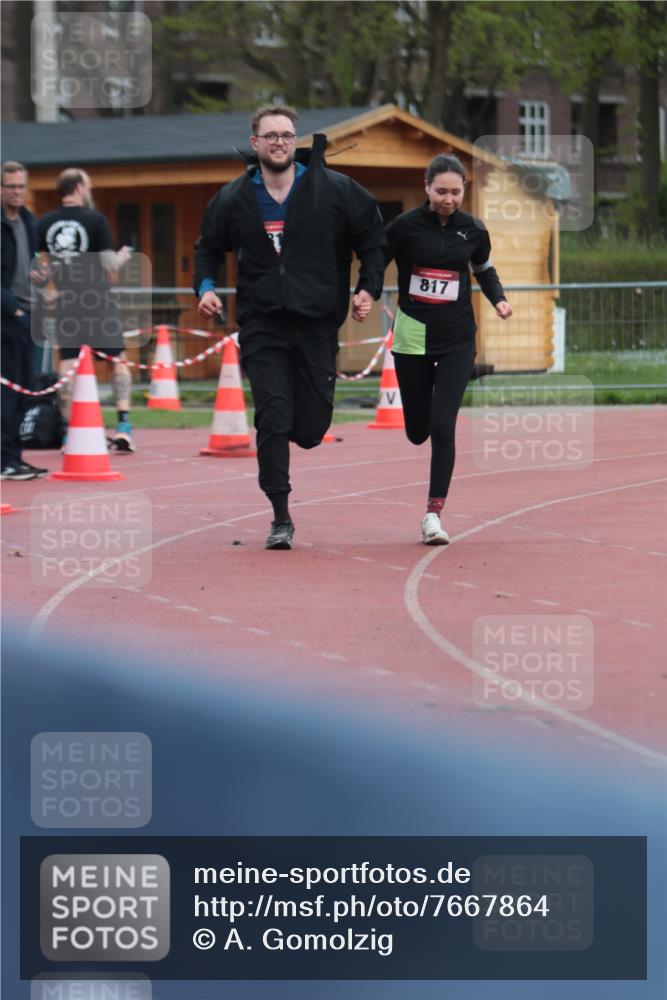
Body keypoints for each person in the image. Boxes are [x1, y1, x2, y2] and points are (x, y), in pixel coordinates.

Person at [195, 104, 386, 550]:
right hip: (263, 325)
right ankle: (280, 516)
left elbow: (373, 238)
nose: (279, 141)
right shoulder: (235, 198)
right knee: (273, 417)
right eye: (270, 135)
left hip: (317, 322)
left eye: (286, 135)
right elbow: (207, 247)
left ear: (294, 141)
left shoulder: (333, 190)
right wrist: (205, 287)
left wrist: (367, 287)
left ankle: (304, 435)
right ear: (256, 143)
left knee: (310, 427)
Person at [385, 153, 512, 545]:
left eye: (456, 192)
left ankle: (433, 515)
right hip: (413, 338)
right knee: (417, 431)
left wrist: (499, 300)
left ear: (464, 191)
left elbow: (484, 269)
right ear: (427, 188)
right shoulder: (404, 228)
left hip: (457, 337)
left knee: (443, 426)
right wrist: (365, 292)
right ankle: (440, 388)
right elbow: (375, 260)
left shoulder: (473, 230)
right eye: (441, 191)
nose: (449, 199)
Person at [36, 168, 135, 451]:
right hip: (98, 301)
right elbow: (109, 265)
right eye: (88, 186)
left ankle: (68, 434)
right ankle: (124, 425)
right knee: (118, 361)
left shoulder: (45, 223)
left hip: (67, 302)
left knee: (68, 365)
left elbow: (38, 269)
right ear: (79, 188)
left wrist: (48, 291)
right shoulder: (95, 220)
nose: (89, 191)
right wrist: (124, 255)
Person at [1, 161, 48, 480]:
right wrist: (12, 309)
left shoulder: (29, 220)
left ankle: (15, 456)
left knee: (24, 389)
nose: (18, 192)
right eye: (11, 186)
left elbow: (33, 261)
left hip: (30, 314)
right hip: (7, 316)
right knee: (6, 391)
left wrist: (40, 276)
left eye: (21, 186)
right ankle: (4, 458)